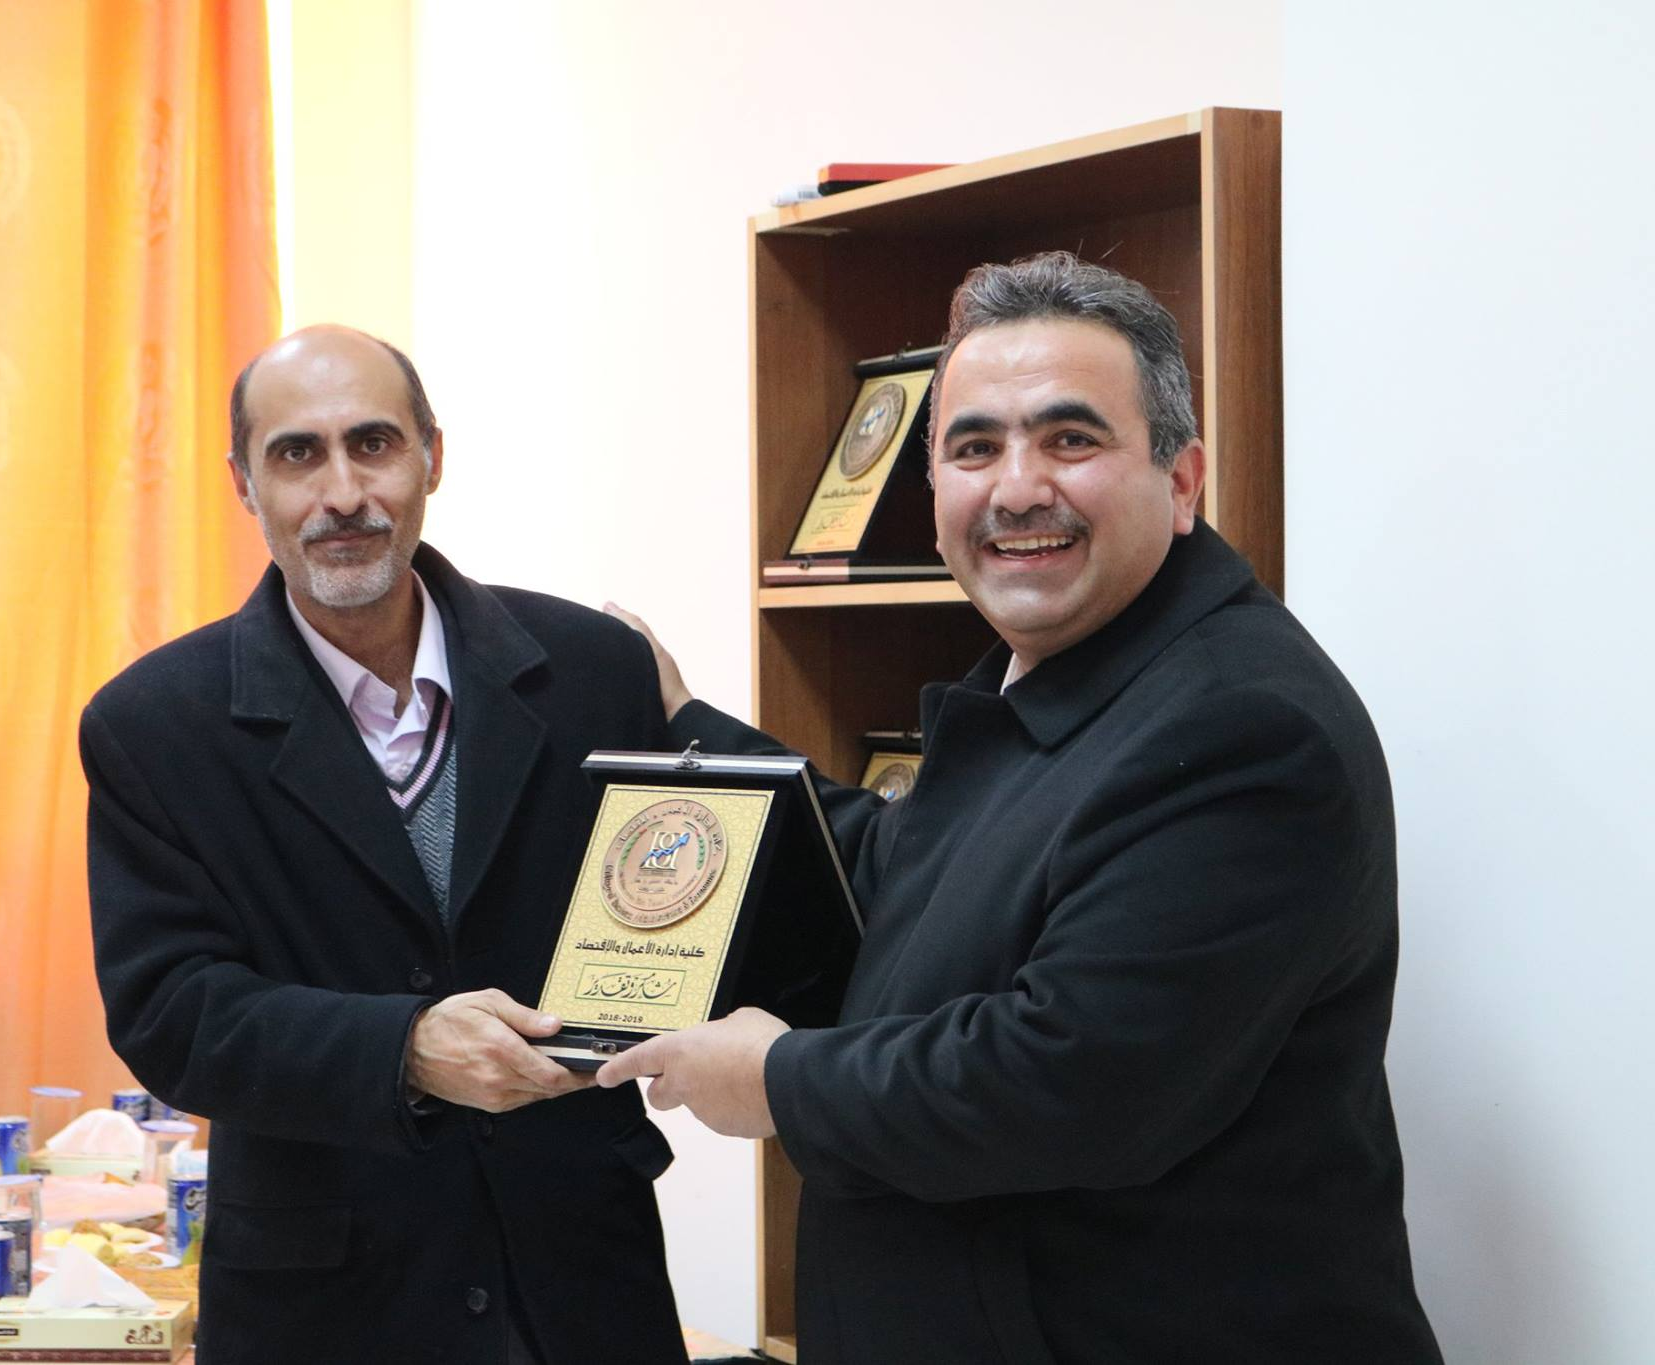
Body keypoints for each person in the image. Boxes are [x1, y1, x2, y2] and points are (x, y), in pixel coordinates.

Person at [598, 253, 1444, 1363]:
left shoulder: (1240, 726)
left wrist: (776, 1079)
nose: (1015, 488)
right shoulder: (1062, 673)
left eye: (1069, 439)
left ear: (1182, 480)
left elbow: (1067, 1078)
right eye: (974, 447)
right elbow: (903, 872)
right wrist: (686, 726)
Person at [81, 326, 688, 1365]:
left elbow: (674, 908)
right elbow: (171, 1012)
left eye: (374, 444)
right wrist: (403, 1049)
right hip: (327, 1307)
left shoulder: (595, 671)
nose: (344, 493)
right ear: (244, 484)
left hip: (584, 1285)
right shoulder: (153, 725)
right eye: (297, 454)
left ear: (432, 458)